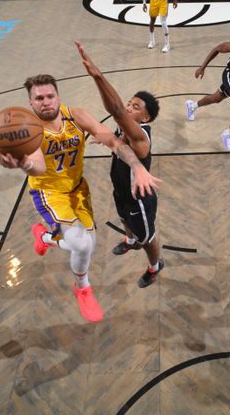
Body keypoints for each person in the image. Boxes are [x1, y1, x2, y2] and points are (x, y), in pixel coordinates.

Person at [0, 74, 161, 321]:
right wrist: (24, 164)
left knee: (88, 246)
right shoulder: (29, 130)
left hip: (78, 189)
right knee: (81, 245)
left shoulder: (76, 115)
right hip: (49, 192)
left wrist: (136, 165)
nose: (46, 102)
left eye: (50, 96)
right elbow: (38, 166)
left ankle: (46, 237)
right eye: (39, 98)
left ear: (57, 96)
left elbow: (112, 140)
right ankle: (83, 288)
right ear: (30, 103)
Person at [74, 41, 164, 288]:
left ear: (144, 118)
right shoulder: (123, 130)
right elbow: (115, 131)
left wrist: (98, 76)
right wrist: (109, 139)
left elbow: (115, 110)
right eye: (129, 103)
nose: (127, 107)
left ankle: (154, 267)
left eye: (134, 108)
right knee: (124, 219)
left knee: (148, 238)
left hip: (140, 199)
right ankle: (130, 239)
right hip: (121, 191)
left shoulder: (140, 137)